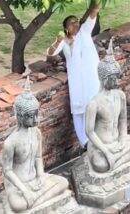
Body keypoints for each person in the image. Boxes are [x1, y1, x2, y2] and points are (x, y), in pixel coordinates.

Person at [46, 1, 101, 148]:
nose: (75, 24)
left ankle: (99, 138)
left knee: (96, 107)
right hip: (76, 81)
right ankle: (85, 144)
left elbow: (94, 11)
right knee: (79, 112)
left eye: (77, 21)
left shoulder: (85, 31)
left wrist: (95, 4)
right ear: (66, 28)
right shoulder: (63, 41)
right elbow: (50, 53)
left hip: (91, 79)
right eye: (72, 23)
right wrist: (57, 41)